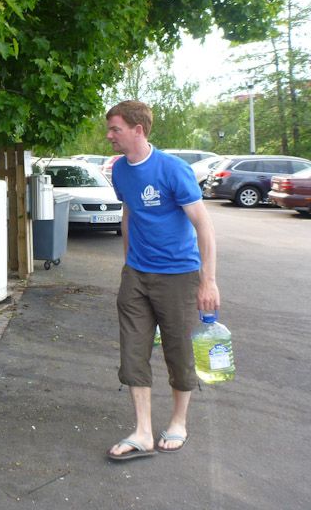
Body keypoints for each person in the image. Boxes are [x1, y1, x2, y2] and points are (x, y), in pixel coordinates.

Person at [104, 100, 220, 461]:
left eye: (115, 129)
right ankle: (142, 431)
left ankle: (178, 423)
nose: (109, 136)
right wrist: (128, 263)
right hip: (137, 275)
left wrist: (208, 281)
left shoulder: (173, 169)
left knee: (178, 350)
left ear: (138, 130)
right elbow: (129, 212)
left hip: (179, 277)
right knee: (133, 350)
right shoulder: (120, 170)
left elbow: (203, 225)